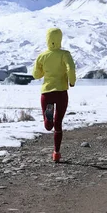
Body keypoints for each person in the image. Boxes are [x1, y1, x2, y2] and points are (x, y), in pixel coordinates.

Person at [32, 28, 76, 162]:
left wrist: (44, 71)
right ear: (60, 39)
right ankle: (56, 153)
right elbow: (71, 68)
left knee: (48, 126)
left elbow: (36, 74)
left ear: (47, 39)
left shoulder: (42, 56)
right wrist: (72, 82)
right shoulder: (65, 54)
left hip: (47, 93)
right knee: (58, 125)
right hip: (61, 92)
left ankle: (47, 119)